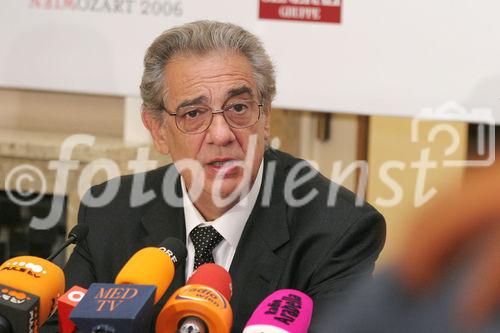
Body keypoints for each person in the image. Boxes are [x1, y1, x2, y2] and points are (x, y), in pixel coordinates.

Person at [58, 20, 386, 332]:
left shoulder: (338, 230)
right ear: (158, 130)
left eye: (238, 108)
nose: (221, 134)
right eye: (194, 114)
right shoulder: (109, 214)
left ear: (265, 116)